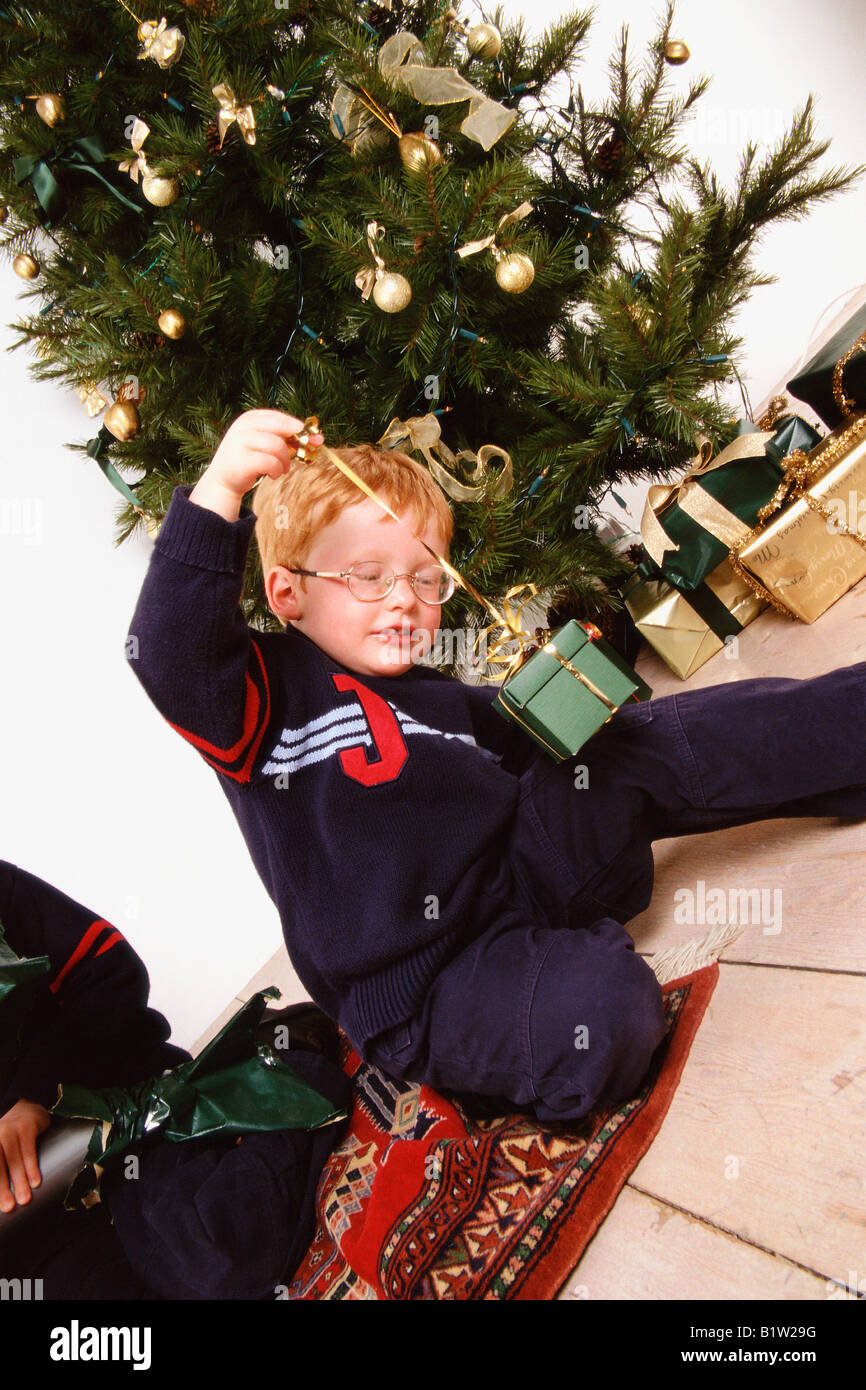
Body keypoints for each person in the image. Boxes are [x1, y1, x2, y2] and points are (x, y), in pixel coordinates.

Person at [124, 408, 866, 1123]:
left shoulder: (433, 692)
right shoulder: (259, 699)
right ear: (289, 593)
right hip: (435, 984)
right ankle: (512, 1039)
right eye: (368, 577)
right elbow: (171, 655)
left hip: (522, 873)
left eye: (424, 579)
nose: (404, 603)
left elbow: (525, 746)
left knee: (630, 746)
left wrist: (573, 699)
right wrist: (221, 491)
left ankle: (845, 729)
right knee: (609, 1014)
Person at [0, 859, 352, 1298]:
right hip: (31, 1236)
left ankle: (278, 1072)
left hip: (123, 1122)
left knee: (219, 1259)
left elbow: (111, 969)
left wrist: (32, 1095)